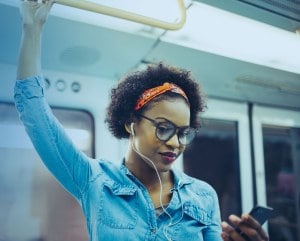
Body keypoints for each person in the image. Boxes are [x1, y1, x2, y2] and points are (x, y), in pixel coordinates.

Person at [15, 0, 270, 240]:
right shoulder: (94, 181)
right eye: (163, 128)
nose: (175, 143)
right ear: (131, 123)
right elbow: (34, 111)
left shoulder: (203, 195)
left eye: (182, 132)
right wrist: (32, 28)